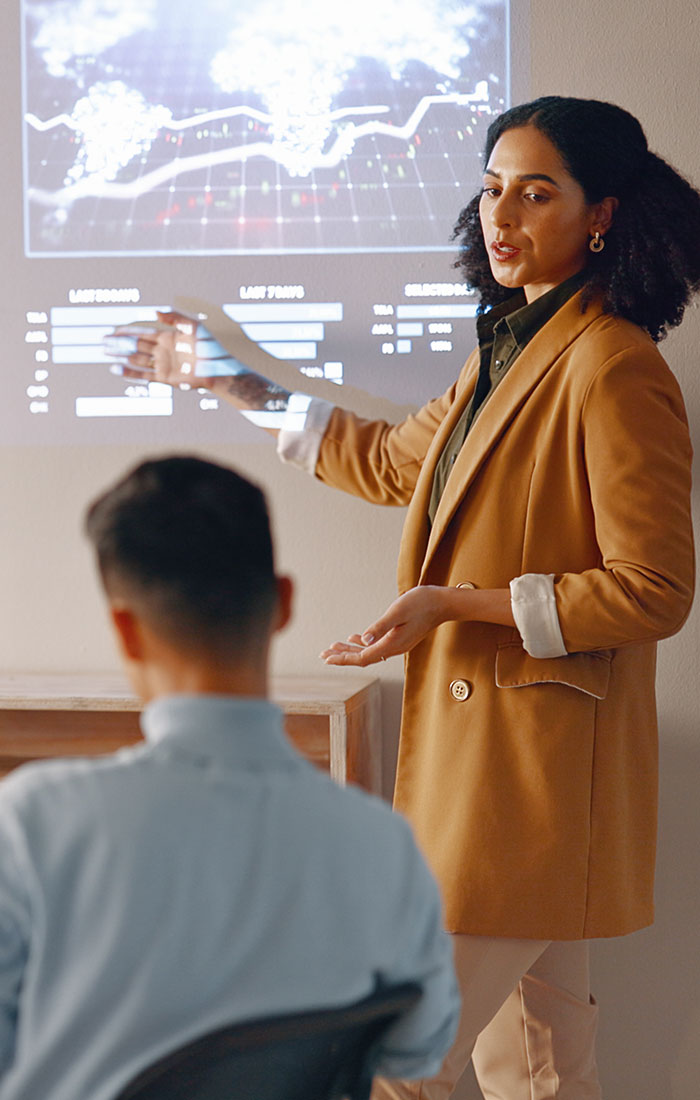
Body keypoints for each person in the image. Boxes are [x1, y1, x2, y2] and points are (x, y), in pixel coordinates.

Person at [109, 97, 700, 1098]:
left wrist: (451, 604)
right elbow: (388, 462)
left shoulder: (611, 367)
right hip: (507, 778)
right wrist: (223, 376)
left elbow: (653, 589)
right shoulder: (508, 354)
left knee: (393, 1063)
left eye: (536, 191)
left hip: (530, 783)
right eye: (491, 187)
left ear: (600, 214)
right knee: (542, 1064)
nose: (501, 214)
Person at [0, 456, 460, 1100]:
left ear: (126, 631)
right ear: (282, 604)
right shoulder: (382, 844)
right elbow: (419, 1046)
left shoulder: (32, 824)